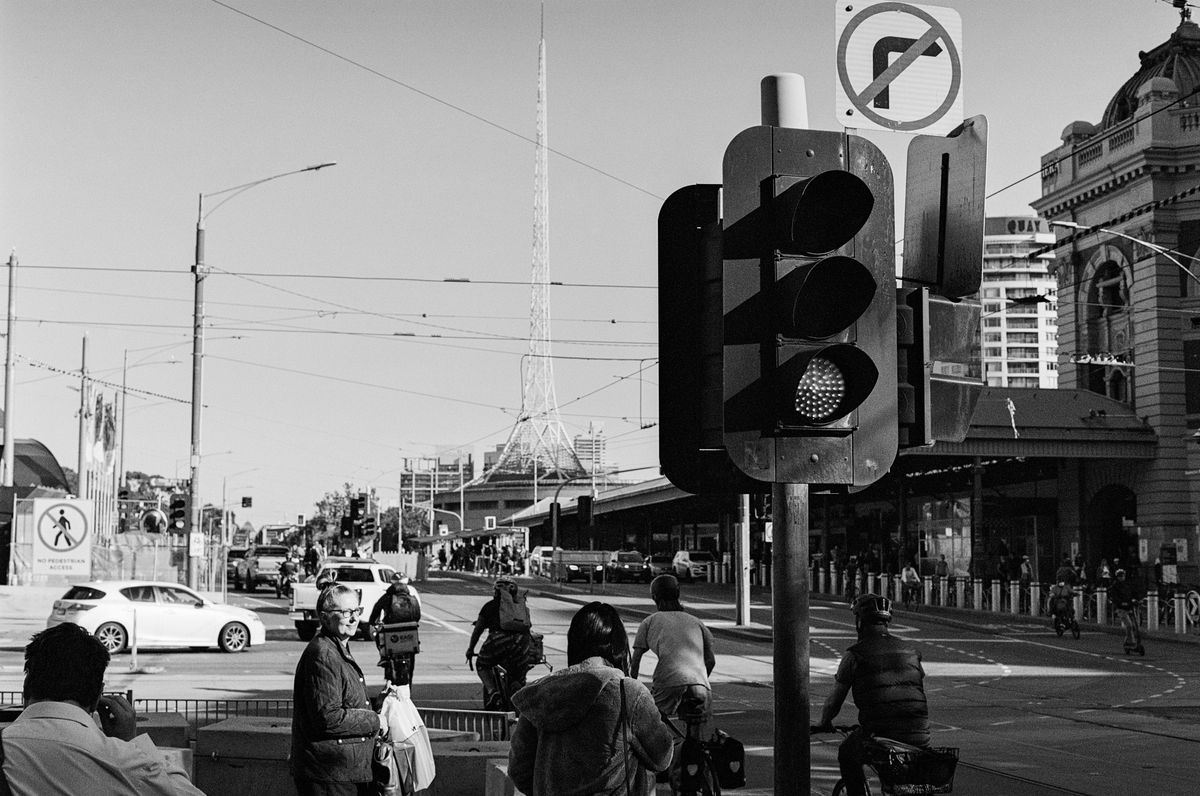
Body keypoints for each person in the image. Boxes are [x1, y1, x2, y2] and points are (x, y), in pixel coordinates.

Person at [0, 623, 204, 795]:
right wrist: (133, 744)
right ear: (98, 696)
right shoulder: (126, 763)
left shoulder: (7, 747)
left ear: (26, 687)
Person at [509, 602, 674, 795]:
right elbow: (661, 758)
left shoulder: (540, 694)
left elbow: (519, 771)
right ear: (618, 647)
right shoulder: (628, 692)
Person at [812, 594, 931, 796]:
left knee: (847, 754)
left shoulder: (855, 655)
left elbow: (834, 700)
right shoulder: (912, 652)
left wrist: (824, 722)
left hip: (882, 734)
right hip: (920, 734)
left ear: (859, 621)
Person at [291, 583, 386, 795]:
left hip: (341, 770)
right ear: (325, 618)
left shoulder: (335, 647)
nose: (354, 618)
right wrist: (376, 721)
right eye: (345, 612)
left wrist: (378, 702)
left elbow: (343, 700)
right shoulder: (324, 654)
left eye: (356, 611)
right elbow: (328, 718)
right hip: (329, 774)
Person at [630, 575, 715, 794]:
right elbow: (710, 660)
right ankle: (700, 782)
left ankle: (664, 767)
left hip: (669, 681)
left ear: (654, 597)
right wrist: (699, 678)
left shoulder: (650, 621)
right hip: (700, 685)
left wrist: (630, 686)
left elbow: (636, 659)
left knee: (651, 725)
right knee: (697, 743)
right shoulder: (696, 622)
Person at [466, 577, 537, 711]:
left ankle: (493, 692)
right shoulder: (521, 607)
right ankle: (519, 699)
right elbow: (528, 626)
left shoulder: (489, 606)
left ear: (496, 592)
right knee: (518, 676)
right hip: (522, 644)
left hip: (498, 641)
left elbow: (478, 630)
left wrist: (470, 649)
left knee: (482, 664)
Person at [368, 572, 423, 687]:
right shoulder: (412, 596)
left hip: (391, 631)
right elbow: (418, 616)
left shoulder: (387, 597)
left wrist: (373, 622)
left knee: (380, 637)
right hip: (409, 632)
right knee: (411, 658)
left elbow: (376, 611)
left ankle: (383, 658)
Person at [1109, 569, 1144, 655]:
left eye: (1123, 576)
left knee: (1136, 626)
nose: (1121, 577)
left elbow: (1133, 593)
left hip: (1130, 607)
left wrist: (1138, 599)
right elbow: (1114, 598)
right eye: (1120, 576)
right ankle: (1131, 642)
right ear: (1117, 577)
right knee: (1129, 625)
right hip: (1121, 609)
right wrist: (1121, 603)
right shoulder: (1114, 587)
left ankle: (1128, 642)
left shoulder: (1128, 585)